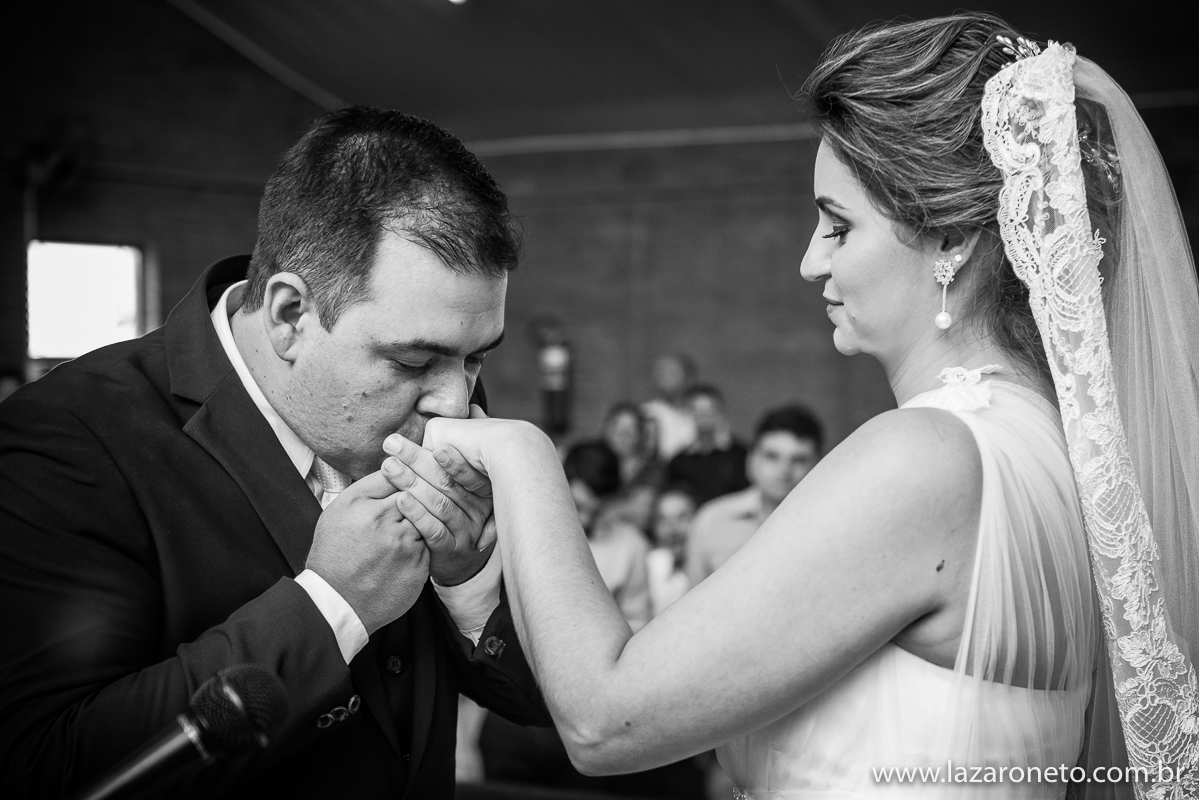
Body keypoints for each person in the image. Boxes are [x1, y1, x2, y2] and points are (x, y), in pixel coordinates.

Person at [393, 12, 1199, 799]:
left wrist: (523, 452)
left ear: (954, 240)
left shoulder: (927, 458)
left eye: (837, 227)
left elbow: (606, 723)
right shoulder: (1057, 449)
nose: (809, 262)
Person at [0, 107, 549, 799]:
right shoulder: (73, 439)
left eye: (474, 359)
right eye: (414, 360)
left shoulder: (444, 403)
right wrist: (331, 606)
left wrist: (467, 579)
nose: (453, 399)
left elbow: (545, 701)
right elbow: (45, 767)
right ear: (291, 315)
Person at [684, 404, 822, 586]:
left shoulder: (833, 524)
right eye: (772, 456)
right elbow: (692, 602)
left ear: (819, 466)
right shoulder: (712, 519)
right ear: (751, 460)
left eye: (799, 460)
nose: (784, 470)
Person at [665, 385, 750, 504]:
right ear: (688, 413)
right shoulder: (678, 461)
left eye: (709, 409)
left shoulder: (743, 454)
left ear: (720, 411)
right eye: (697, 409)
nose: (703, 415)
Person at [646, 483, 698, 617]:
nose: (673, 529)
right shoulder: (646, 569)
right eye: (663, 520)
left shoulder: (714, 567)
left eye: (682, 517)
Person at [641, 353, 698, 459]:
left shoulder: (701, 413)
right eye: (660, 372)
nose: (664, 377)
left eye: (671, 372)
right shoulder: (645, 413)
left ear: (689, 378)